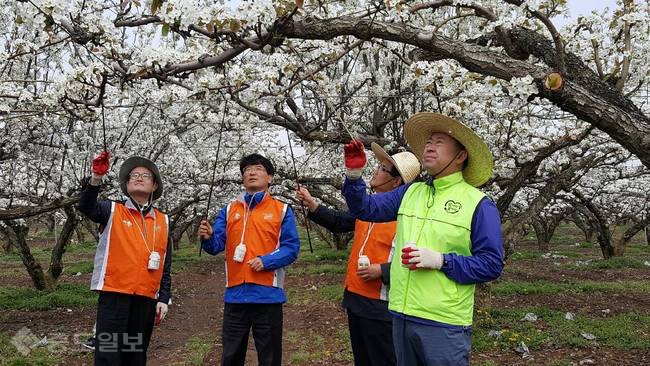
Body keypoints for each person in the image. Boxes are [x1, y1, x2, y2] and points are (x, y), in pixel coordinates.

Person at [342, 113, 503, 366]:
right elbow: (365, 209)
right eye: (428, 141)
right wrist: (353, 176)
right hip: (401, 315)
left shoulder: (479, 205)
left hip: (444, 321)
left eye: (439, 141)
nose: (429, 145)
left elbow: (491, 264)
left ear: (460, 156)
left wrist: (442, 261)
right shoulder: (411, 192)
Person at [296, 143, 420, 366]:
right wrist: (313, 205)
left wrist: (381, 270)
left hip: (382, 304)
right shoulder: (369, 210)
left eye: (383, 169)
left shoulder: (407, 217)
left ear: (397, 182)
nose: (375, 171)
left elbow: (417, 259)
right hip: (356, 299)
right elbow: (339, 221)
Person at [198, 153, 300, 366]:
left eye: (258, 168)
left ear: (270, 178)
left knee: (270, 358)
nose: (251, 172)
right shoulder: (228, 210)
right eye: (246, 170)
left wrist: (266, 261)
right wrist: (207, 238)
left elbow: (291, 248)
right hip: (235, 297)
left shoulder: (281, 210)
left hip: (268, 297)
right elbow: (216, 245)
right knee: (231, 357)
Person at [78, 152, 172, 366]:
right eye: (133, 175)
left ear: (155, 185)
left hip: (146, 299)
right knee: (108, 355)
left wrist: (163, 297)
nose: (138, 177)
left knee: (135, 356)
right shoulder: (111, 210)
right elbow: (85, 206)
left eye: (145, 175)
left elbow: (166, 263)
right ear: (126, 184)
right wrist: (95, 178)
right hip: (115, 296)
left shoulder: (163, 220)